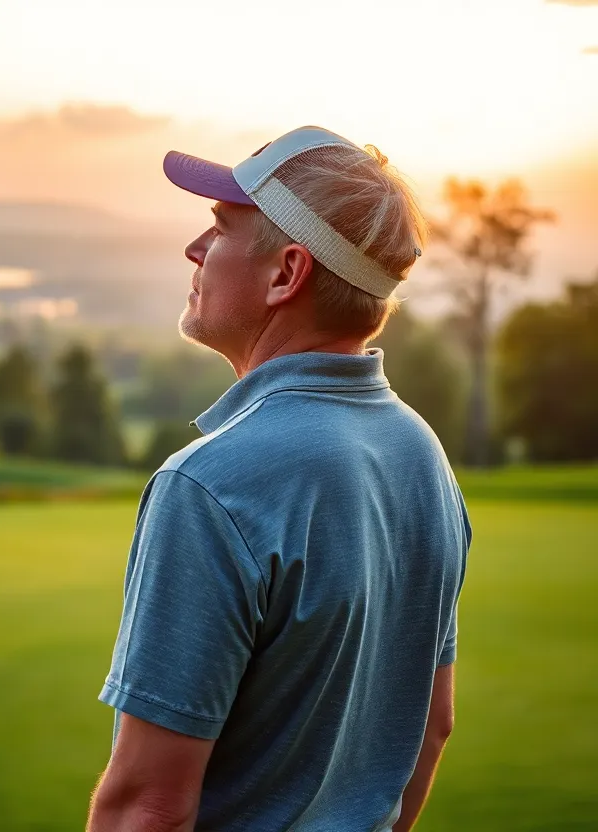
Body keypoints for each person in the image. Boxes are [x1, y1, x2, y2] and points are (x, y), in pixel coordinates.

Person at [86, 127, 469, 831]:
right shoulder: (422, 456)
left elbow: (148, 804)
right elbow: (431, 724)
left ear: (285, 273)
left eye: (220, 229)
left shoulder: (210, 486)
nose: (194, 250)